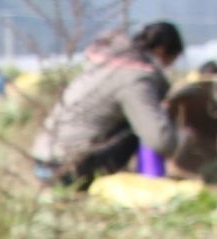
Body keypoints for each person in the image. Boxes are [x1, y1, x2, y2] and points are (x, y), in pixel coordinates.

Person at [31, 23, 184, 188]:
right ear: (161, 51)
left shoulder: (106, 64)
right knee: (145, 123)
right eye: (171, 61)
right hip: (68, 168)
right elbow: (159, 140)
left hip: (43, 161)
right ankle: (150, 178)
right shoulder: (135, 78)